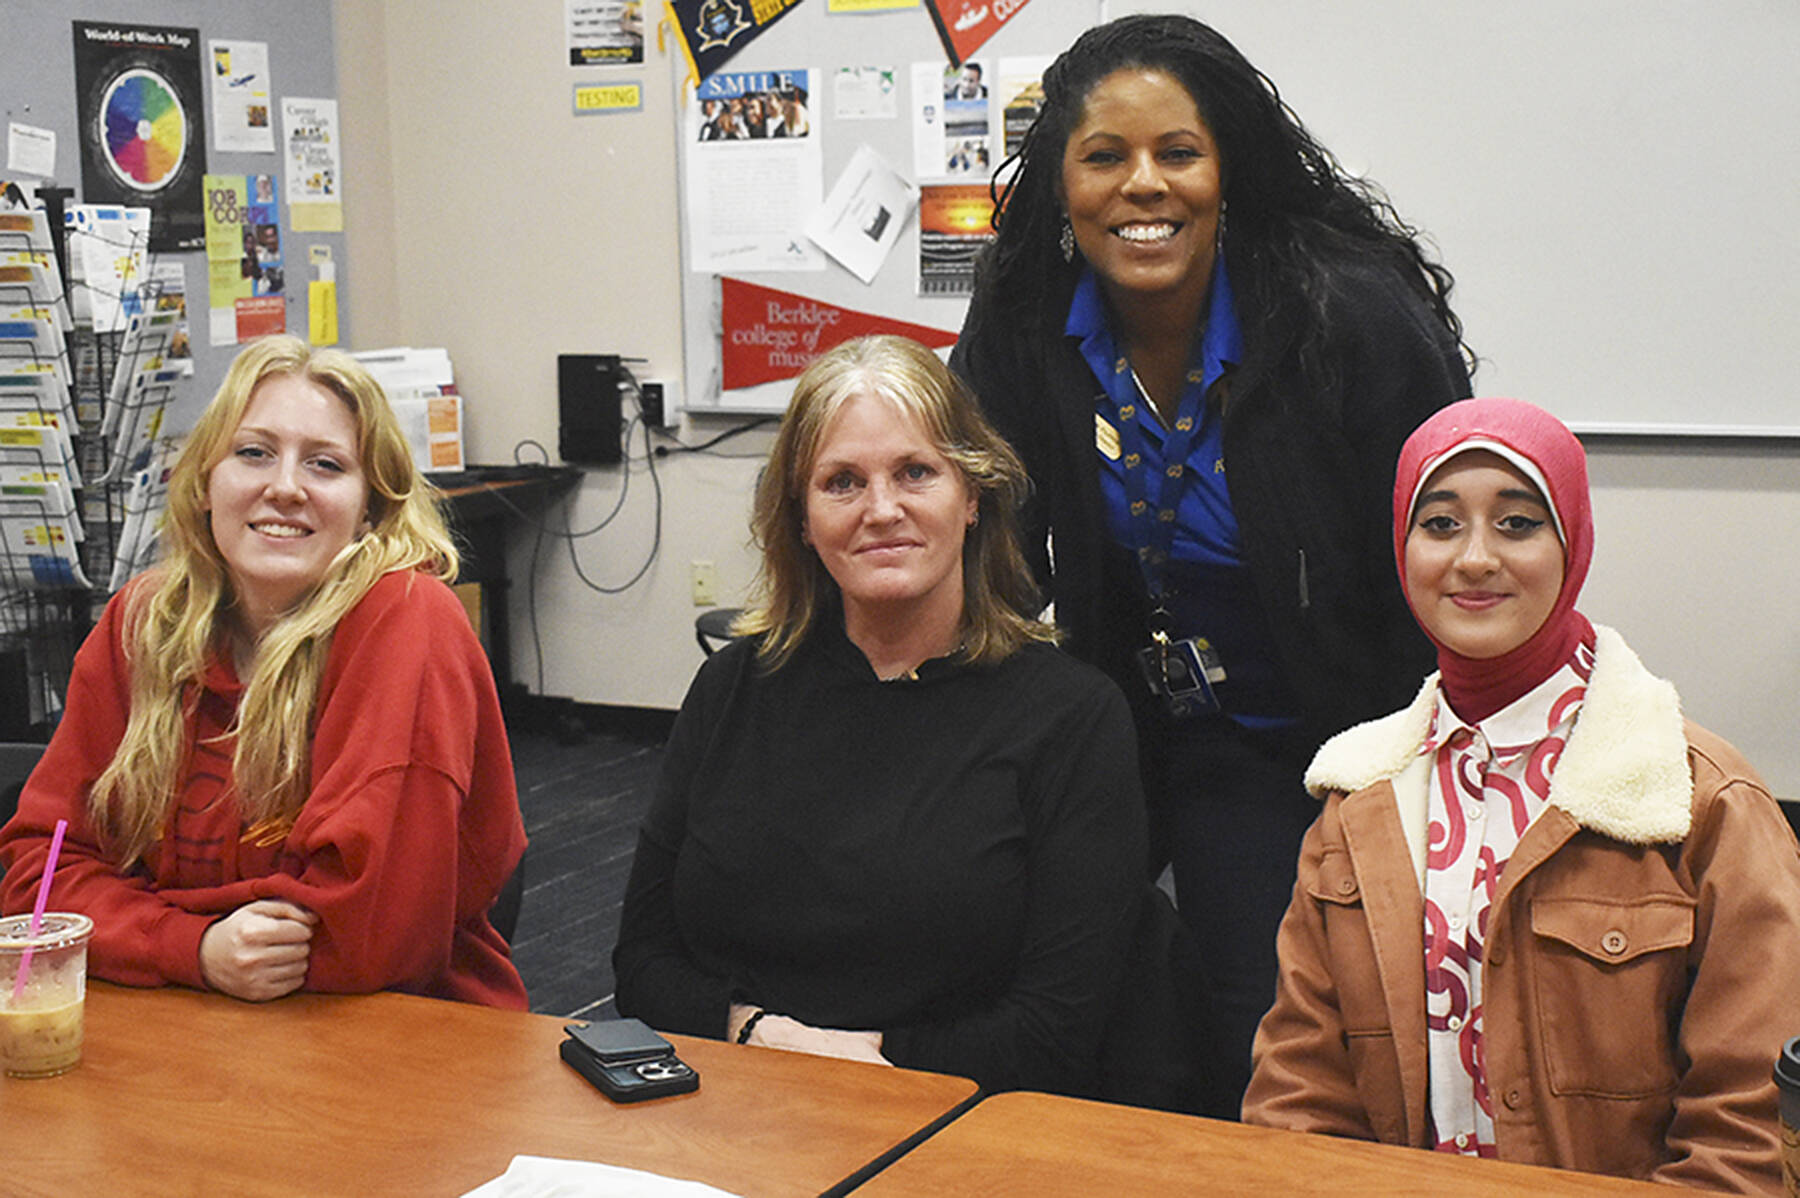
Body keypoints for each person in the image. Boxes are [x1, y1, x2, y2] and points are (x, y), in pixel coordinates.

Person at [948, 13, 1472, 1117]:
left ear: (1224, 166)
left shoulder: (1347, 313)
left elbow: (1455, 543)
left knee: (1307, 1017)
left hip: (1361, 717)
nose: (1145, 187)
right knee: (1068, 969)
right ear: (1062, 183)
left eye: (1176, 154)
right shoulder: (1026, 316)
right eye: (1105, 158)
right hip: (1167, 721)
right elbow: (982, 525)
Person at [1243, 398, 1800, 1191]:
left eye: (1517, 523)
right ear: (1401, 548)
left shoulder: (1702, 803)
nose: (1474, 559)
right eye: (1439, 524)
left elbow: (1749, 1138)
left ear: (1573, 543)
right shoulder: (1357, 801)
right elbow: (1296, 1103)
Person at [611, 335, 1147, 1096]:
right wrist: (762, 1036)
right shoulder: (730, 690)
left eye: (915, 472)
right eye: (842, 482)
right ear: (800, 516)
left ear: (972, 497)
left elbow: (1057, 1032)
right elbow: (642, 963)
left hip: (961, 1126)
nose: (881, 510)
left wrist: (863, 1063)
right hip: (735, 1107)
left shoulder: (1073, 718)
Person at [0, 335, 527, 1009]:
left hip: (397, 1040)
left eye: (326, 465)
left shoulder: (407, 619)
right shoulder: (141, 623)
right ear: (204, 482)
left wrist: (132, 919)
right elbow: (37, 882)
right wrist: (197, 947)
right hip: (188, 1021)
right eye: (253, 453)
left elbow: (363, 937)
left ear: (371, 505)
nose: (284, 488)